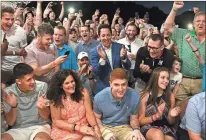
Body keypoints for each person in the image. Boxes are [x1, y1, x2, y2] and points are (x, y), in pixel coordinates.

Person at [164, 1, 205, 106]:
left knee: (200, 114)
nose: (201, 23)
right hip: (183, 81)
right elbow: (167, 27)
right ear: (194, 24)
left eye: (204, 21)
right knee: (177, 112)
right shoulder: (183, 34)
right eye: (198, 21)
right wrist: (174, 9)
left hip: (202, 82)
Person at [46, 70, 101, 140]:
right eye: (67, 83)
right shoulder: (55, 98)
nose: (71, 85)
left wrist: (95, 127)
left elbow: (89, 113)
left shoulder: (83, 92)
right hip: (64, 131)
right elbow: (56, 121)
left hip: (84, 129)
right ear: (60, 86)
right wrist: (77, 128)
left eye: (72, 81)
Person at [1, 63, 51, 140]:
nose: (33, 81)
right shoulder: (9, 92)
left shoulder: (42, 86)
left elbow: (46, 117)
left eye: (33, 77)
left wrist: (41, 107)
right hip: (18, 129)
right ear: (18, 81)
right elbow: (10, 122)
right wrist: (13, 106)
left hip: (39, 126)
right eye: (29, 79)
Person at [93, 68, 145, 140]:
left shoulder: (134, 96)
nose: (120, 89)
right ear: (110, 84)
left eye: (124, 84)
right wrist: (103, 131)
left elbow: (133, 119)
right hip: (106, 127)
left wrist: (136, 129)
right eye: (116, 85)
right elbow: (96, 118)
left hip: (125, 127)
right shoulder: (99, 97)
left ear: (127, 83)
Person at [138, 67, 181, 140]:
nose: (166, 81)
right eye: (163, 78)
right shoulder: (145, 95)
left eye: (167, 78)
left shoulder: (170, 96)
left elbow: (171, 122)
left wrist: (172, 116)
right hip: (148, 127)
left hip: (165, 127)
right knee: (158, 135)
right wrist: (156, 116)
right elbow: (140, 121)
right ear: (155, 78)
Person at [90, 24, 131, 94]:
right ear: (99, 36)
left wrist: (123, 58)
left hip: (120, 88)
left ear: (111, 35)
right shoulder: (94, 51)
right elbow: (96, 72)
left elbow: (128, 66)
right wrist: (103, 59)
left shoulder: (120, 47)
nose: (106, 38)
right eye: (103, 36)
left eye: (108, 35)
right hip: (103, 89)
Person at [1, 6, 27, 86]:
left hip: (15, 70)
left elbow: (23, 53)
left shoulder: (20, 32)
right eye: (7, 19)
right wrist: (15, 52)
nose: (10, 22)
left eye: (12, 19)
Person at [118, 22, 143, 88]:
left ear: (136, 32)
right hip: (123, 71)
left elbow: (144, 58)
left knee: (134, 92)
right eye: (129, 30)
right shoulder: (120, 42)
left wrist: (136, 57)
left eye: (133, 30)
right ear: (126, 31)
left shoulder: (141, 43)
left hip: (136, 71)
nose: (131, 32)